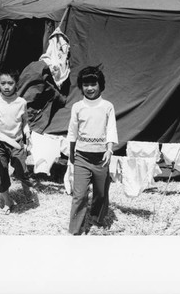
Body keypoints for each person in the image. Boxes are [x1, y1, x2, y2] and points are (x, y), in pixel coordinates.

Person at [67, 66, 118, 235]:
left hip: (101, 157)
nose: (89, 88)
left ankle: (97, 217)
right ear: (81, 86)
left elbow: (111, 129)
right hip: (82, 156)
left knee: (101, 193)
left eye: (93, 84)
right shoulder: (77, 107)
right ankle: (75, 230)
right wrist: (71, 156)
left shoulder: (107, 106)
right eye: (85, 84)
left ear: (100, 85)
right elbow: (72, 132)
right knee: (79, 195)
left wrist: (109, 150)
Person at [0, 69, 33, 214]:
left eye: (10, 83)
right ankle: (7, 200)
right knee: (0, 174)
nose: (7, 87)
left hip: (16, 142)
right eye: (3, 83)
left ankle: (26, 187)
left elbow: (25, 122)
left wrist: (28, 135)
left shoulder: (21, 102)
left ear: (16, 84)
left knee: (21, 169)